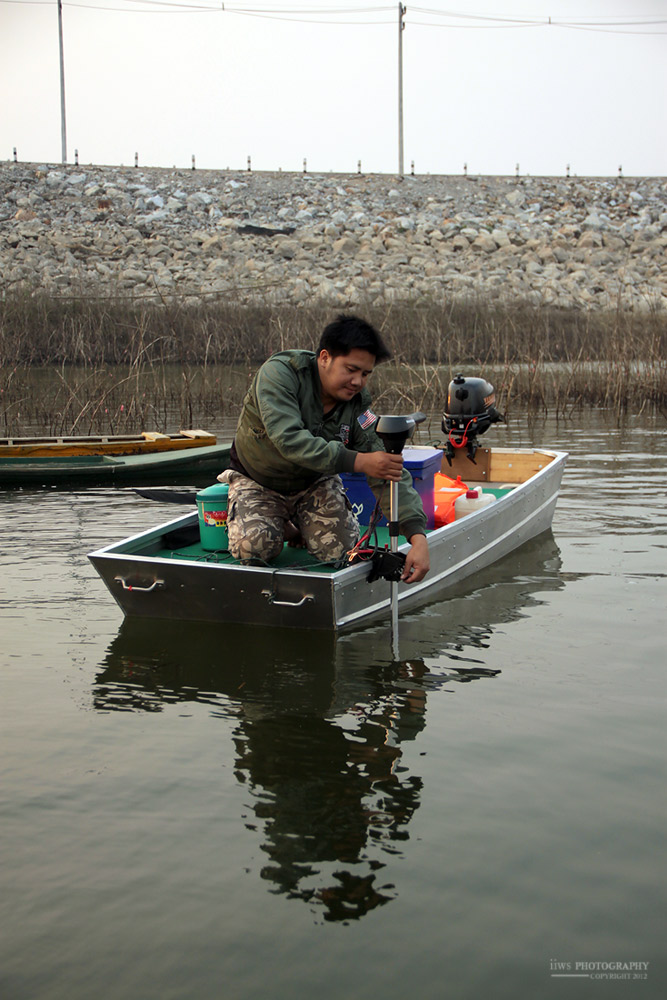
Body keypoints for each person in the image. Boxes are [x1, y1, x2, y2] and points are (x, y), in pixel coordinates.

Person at [219, 314, 430, 583]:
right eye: (351, 369)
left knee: (341, 552)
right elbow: (290, 440)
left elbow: (386, 465)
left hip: (313, 482)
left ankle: (298, 523)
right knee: (253, 549)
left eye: (365, 374)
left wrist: (417, 537)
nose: (357, 381)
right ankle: (283, 525)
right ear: (325, 357)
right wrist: (359, 462)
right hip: (259, 479)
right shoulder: (281, 375)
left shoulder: (357, 404)